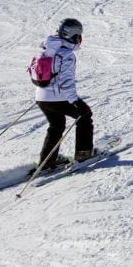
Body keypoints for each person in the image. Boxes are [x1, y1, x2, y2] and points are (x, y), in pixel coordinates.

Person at [33, 18, 93, 170]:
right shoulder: (66, 54)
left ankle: (47, 161)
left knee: (56, 125)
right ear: (73, 35)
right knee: (85, 116)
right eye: (79, 35)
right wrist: (76, 101)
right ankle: (83, 154)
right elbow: (66, 82)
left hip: (41, 97)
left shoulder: (45, 50)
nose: (80, 39)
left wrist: (44, 93)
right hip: (58, 97)